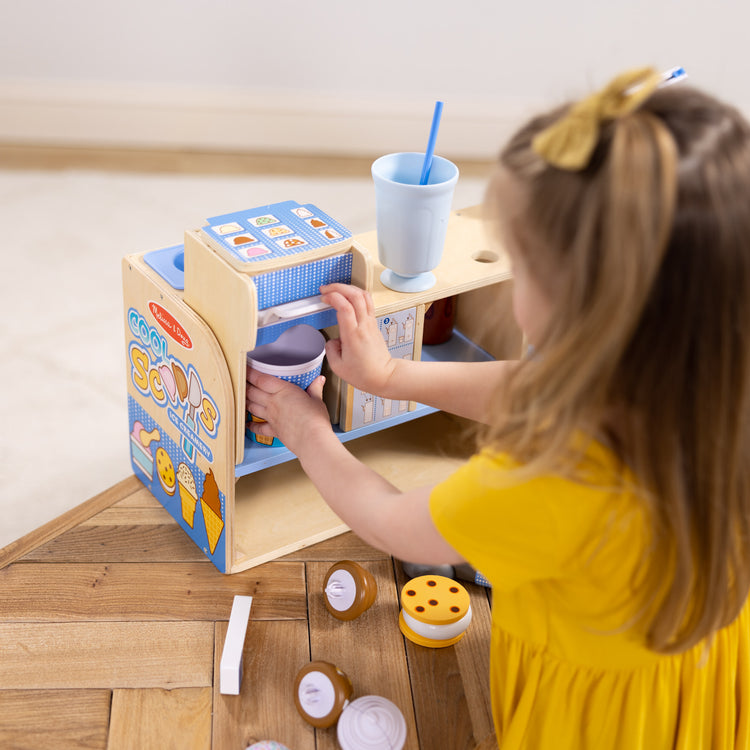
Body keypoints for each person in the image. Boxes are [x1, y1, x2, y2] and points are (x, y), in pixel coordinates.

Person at [246, 67, 750, 748]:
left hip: (603, 717)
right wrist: (393, 376)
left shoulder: (545, 479)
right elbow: (538, 386)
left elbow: (393, 523)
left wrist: (310, 436)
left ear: (585, 311)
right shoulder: (706, 377)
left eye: (522, 263)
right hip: (694, 658)